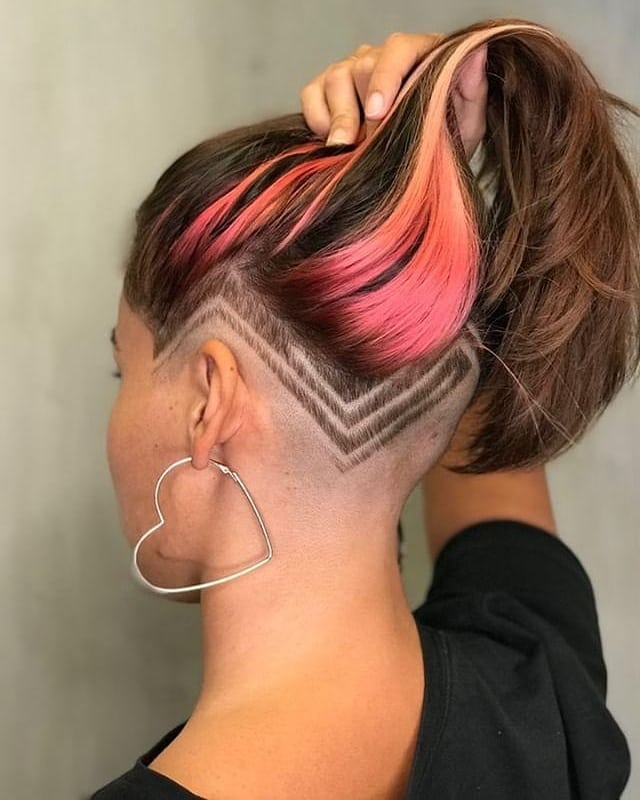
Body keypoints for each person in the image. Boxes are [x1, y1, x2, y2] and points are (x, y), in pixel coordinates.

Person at [91, 19, 637, 800]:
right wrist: (438, 181)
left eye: (123, 367)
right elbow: (470, 400)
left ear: (209, 402)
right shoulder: (542, 683)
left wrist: (436, 166)